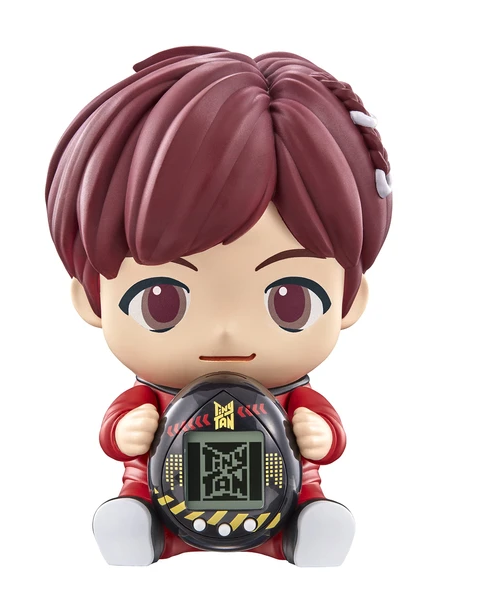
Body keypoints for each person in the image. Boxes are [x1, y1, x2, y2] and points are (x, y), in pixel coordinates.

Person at [45, 45, 392, 566]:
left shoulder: (294, 398)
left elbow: (328, 434)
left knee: (305, 500)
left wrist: (321, 435)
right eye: (161, 301)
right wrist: (124, 429)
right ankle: (145, 532)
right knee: (139, 499)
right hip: (164, 501)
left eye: (290, 301)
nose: (226, 329)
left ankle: (301, 534)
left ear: (350, 301)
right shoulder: (151, 397)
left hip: (280, 503)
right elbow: (117, 430)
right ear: (91, 299)